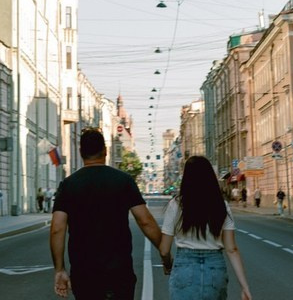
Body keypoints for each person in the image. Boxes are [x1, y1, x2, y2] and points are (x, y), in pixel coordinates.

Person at [50, 127, 165, 300]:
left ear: (81, 153)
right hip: (119, 271)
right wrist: (165, 252)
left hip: (84, 272)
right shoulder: (123, 180)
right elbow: (145, 221)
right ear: (105, 151)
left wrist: (60, 269)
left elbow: (57, 229)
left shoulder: (68, 185)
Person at [158, 155, 252, 300]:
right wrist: (245, 287)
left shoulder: (176, 205)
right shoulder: (221, 205)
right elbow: (231, 249)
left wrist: (167, 264)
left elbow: (164, 249)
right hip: (215, 269)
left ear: (186, 178)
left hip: (184, 266)